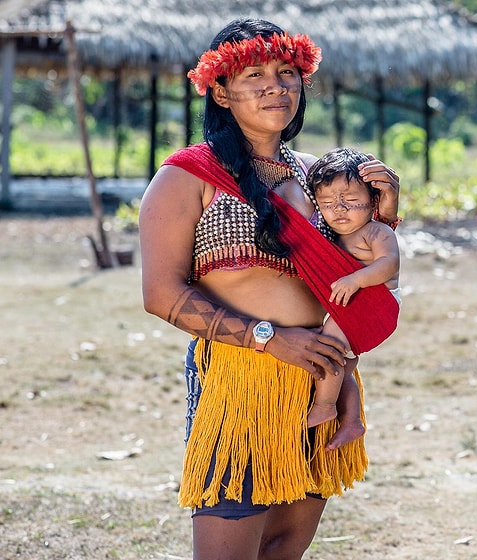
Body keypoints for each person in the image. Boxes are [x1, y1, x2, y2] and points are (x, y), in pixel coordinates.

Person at [138, 18, 401, 560]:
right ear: (219, 90)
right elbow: (161, 294)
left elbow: (361, 270)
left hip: (322, 379)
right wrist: (268, 337)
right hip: (241, 379)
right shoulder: (187, 177)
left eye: (286, 72)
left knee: (283, 549)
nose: (274, 85)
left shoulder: (323, 178)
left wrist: (388, 215)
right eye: (252, 74)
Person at [305, 147, 401, 431]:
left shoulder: (376, 231)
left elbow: (389, 263)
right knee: (344, 366)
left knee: (329, 347)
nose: (339, 209)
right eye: (327, 202)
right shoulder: (333, 235)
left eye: (350, 200)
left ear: (373, 201)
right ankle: (352, 419)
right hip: (353, 306)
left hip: (376, 304)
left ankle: (324, 407)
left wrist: (356, 279)